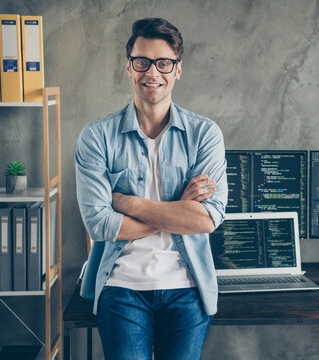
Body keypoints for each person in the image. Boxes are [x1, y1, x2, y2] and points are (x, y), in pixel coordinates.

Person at [75, 17, 228, 360]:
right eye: (142, 62)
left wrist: (124, 201)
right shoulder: (97, 137)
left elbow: (208, 219)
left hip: (188, 289)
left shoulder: (205, 135)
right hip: (121, 287)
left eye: (163, 63)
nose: (152, 73)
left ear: (178, 70)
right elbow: (99, 225)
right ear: (129, 67)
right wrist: (178, 209)